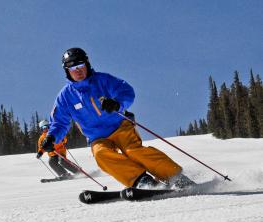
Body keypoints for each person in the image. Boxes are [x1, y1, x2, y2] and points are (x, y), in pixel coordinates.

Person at [40, 47, 195, 189]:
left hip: (120, 126)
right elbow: (59, 123)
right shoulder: (65, 97)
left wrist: (117, 104)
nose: (78, 71)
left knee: (133, 151)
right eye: (73, 68)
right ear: (67, 71)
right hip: (97, 137)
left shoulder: (103, 80)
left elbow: (126, 91)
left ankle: (176, 178)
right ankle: (142, 181)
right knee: (101, 155)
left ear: (87, 64)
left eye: (81, 66)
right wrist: (52, 138)